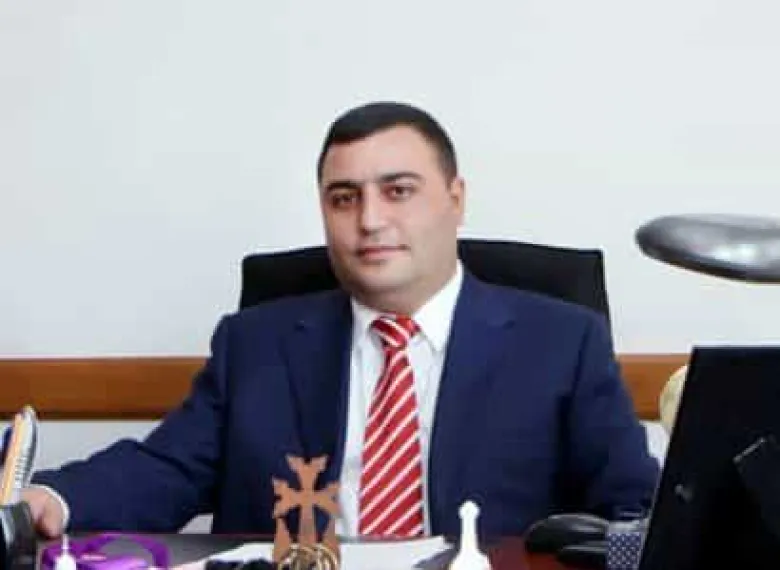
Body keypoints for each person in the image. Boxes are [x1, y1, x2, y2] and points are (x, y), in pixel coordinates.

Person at [23, 101, 659, 540]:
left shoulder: (561, 343)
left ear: (456, 199)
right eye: (344, 198)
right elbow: (167, 470)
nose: (370, 220)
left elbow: (635, 509)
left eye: (398, 191)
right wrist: (49, 499)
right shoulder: (257, 344)